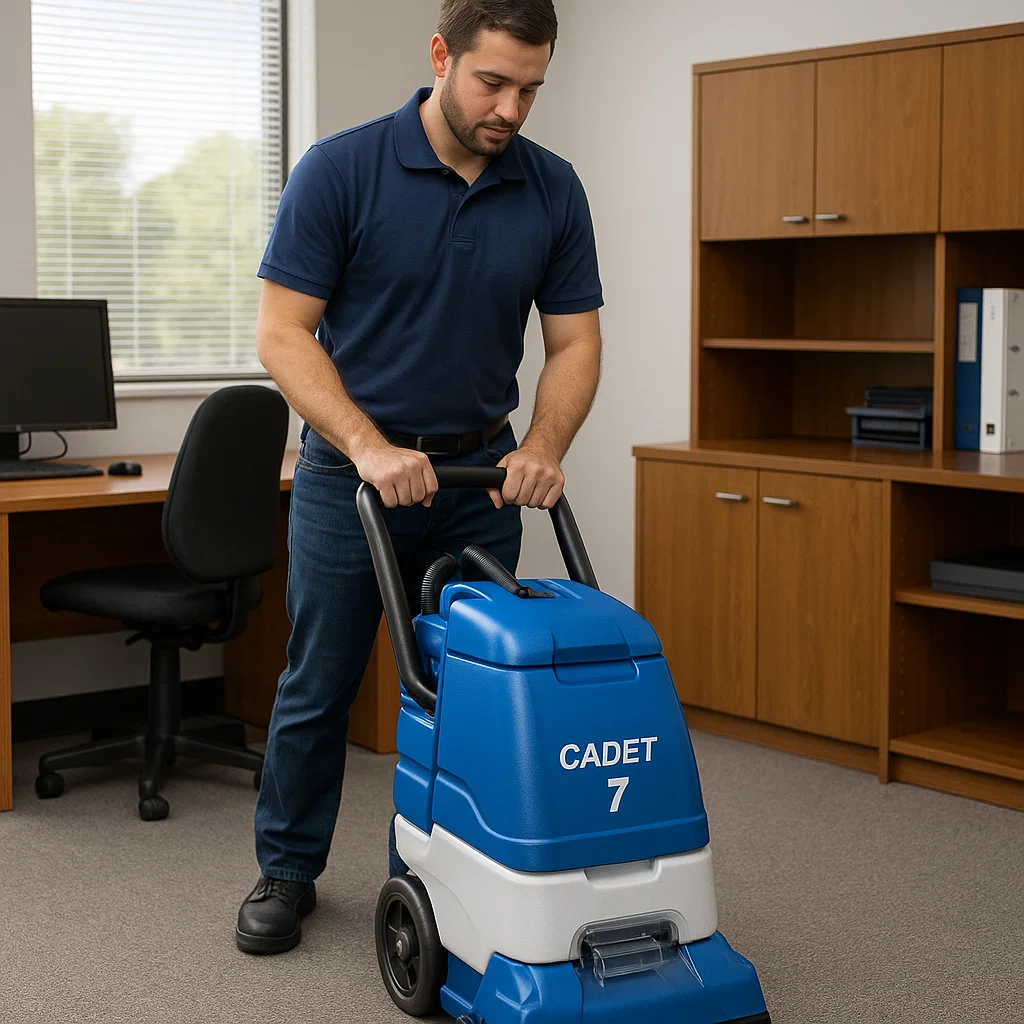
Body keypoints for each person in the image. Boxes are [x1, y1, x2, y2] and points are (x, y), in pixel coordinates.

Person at [235, 0, 603, 955]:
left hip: (479, 477)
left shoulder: (553, 189)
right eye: (493, 82)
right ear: (441, 55)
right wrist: (365, 445)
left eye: (531, 87)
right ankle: (286, 871)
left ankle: (449, 864)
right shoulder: (342, 169)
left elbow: (573, 343)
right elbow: (283, 333)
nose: (513, 108)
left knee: (472, 688)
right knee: (320, 680)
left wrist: (545, 447)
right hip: (353, 475)